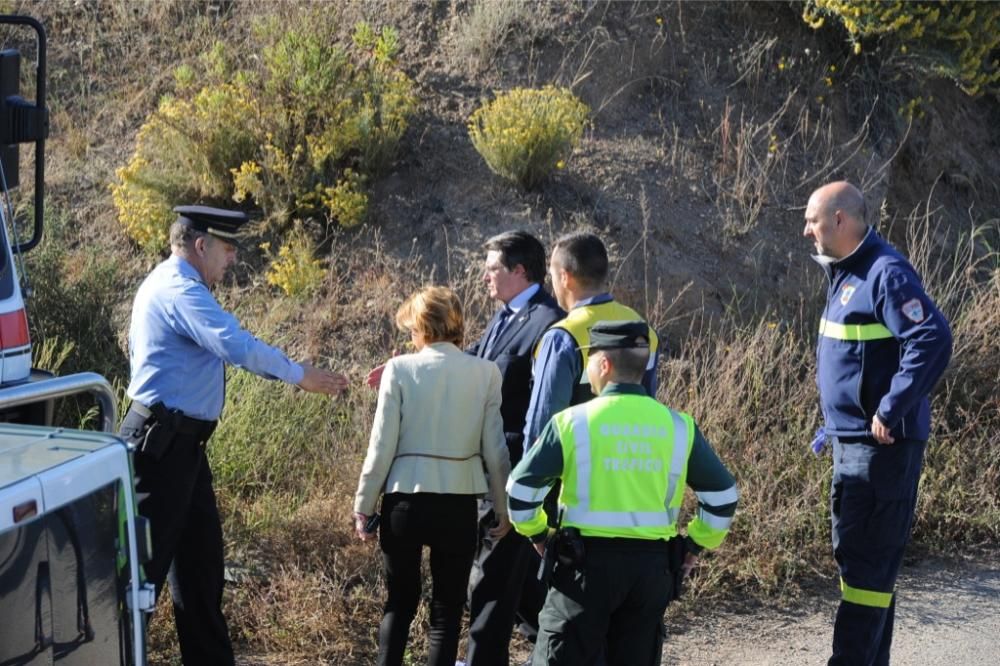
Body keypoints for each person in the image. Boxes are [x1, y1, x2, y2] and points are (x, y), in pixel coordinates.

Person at [119, 205, 348, 665]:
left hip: (183, 450)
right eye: (228, 249)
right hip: (160, 449)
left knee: (201, 577)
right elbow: (234, 343)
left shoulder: (179, 284)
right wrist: (298, 374)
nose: (234, 260)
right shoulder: (180, 289)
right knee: (139, 586)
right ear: (200, 245)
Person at [506, 321, 738, 666]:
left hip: (583, 569)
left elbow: (521, 493)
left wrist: (540, 535)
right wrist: (693, 545)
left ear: (603, 365)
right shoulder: (678, 426)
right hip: (651, 572)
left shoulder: (571, 423)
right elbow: (722, 496)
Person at [803, 182, 952, 665]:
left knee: (867, 569)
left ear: (841, 220)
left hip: (880, 453)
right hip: (852, 447)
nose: (807, 229)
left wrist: (892, 407)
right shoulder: (848, 273)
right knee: (864, 570)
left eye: (813, 219)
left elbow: (931, 338)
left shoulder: (885, 272)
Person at [353, 286, 512, 666]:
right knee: (446, 611)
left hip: (403, 500)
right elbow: (496, 451)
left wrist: (363, 504)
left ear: (423, 327)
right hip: (458, 504)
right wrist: (504, 507)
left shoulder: (400, 369)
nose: (410, 337)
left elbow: (381, 445)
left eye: (411, 329)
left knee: (399, 603)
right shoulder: (486, 373)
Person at [464, 231, 564, 666]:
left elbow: (541, 413)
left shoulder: (547, 323)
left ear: (519, 271)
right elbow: (475, 361)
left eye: (493, 269)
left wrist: (522, 485)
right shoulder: (505, 315)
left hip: (514, 472)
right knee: (519, 583)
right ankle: (572, 650)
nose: (485, 276)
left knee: (490, 577)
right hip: (489, 467)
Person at [522, 232, 660, 448]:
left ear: (565, 278)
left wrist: (529, 475)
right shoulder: (644, 328)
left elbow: (544, 425)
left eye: (553, 276)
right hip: (631, 465)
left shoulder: (561, 338)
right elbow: (647, 404)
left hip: (577, 471)